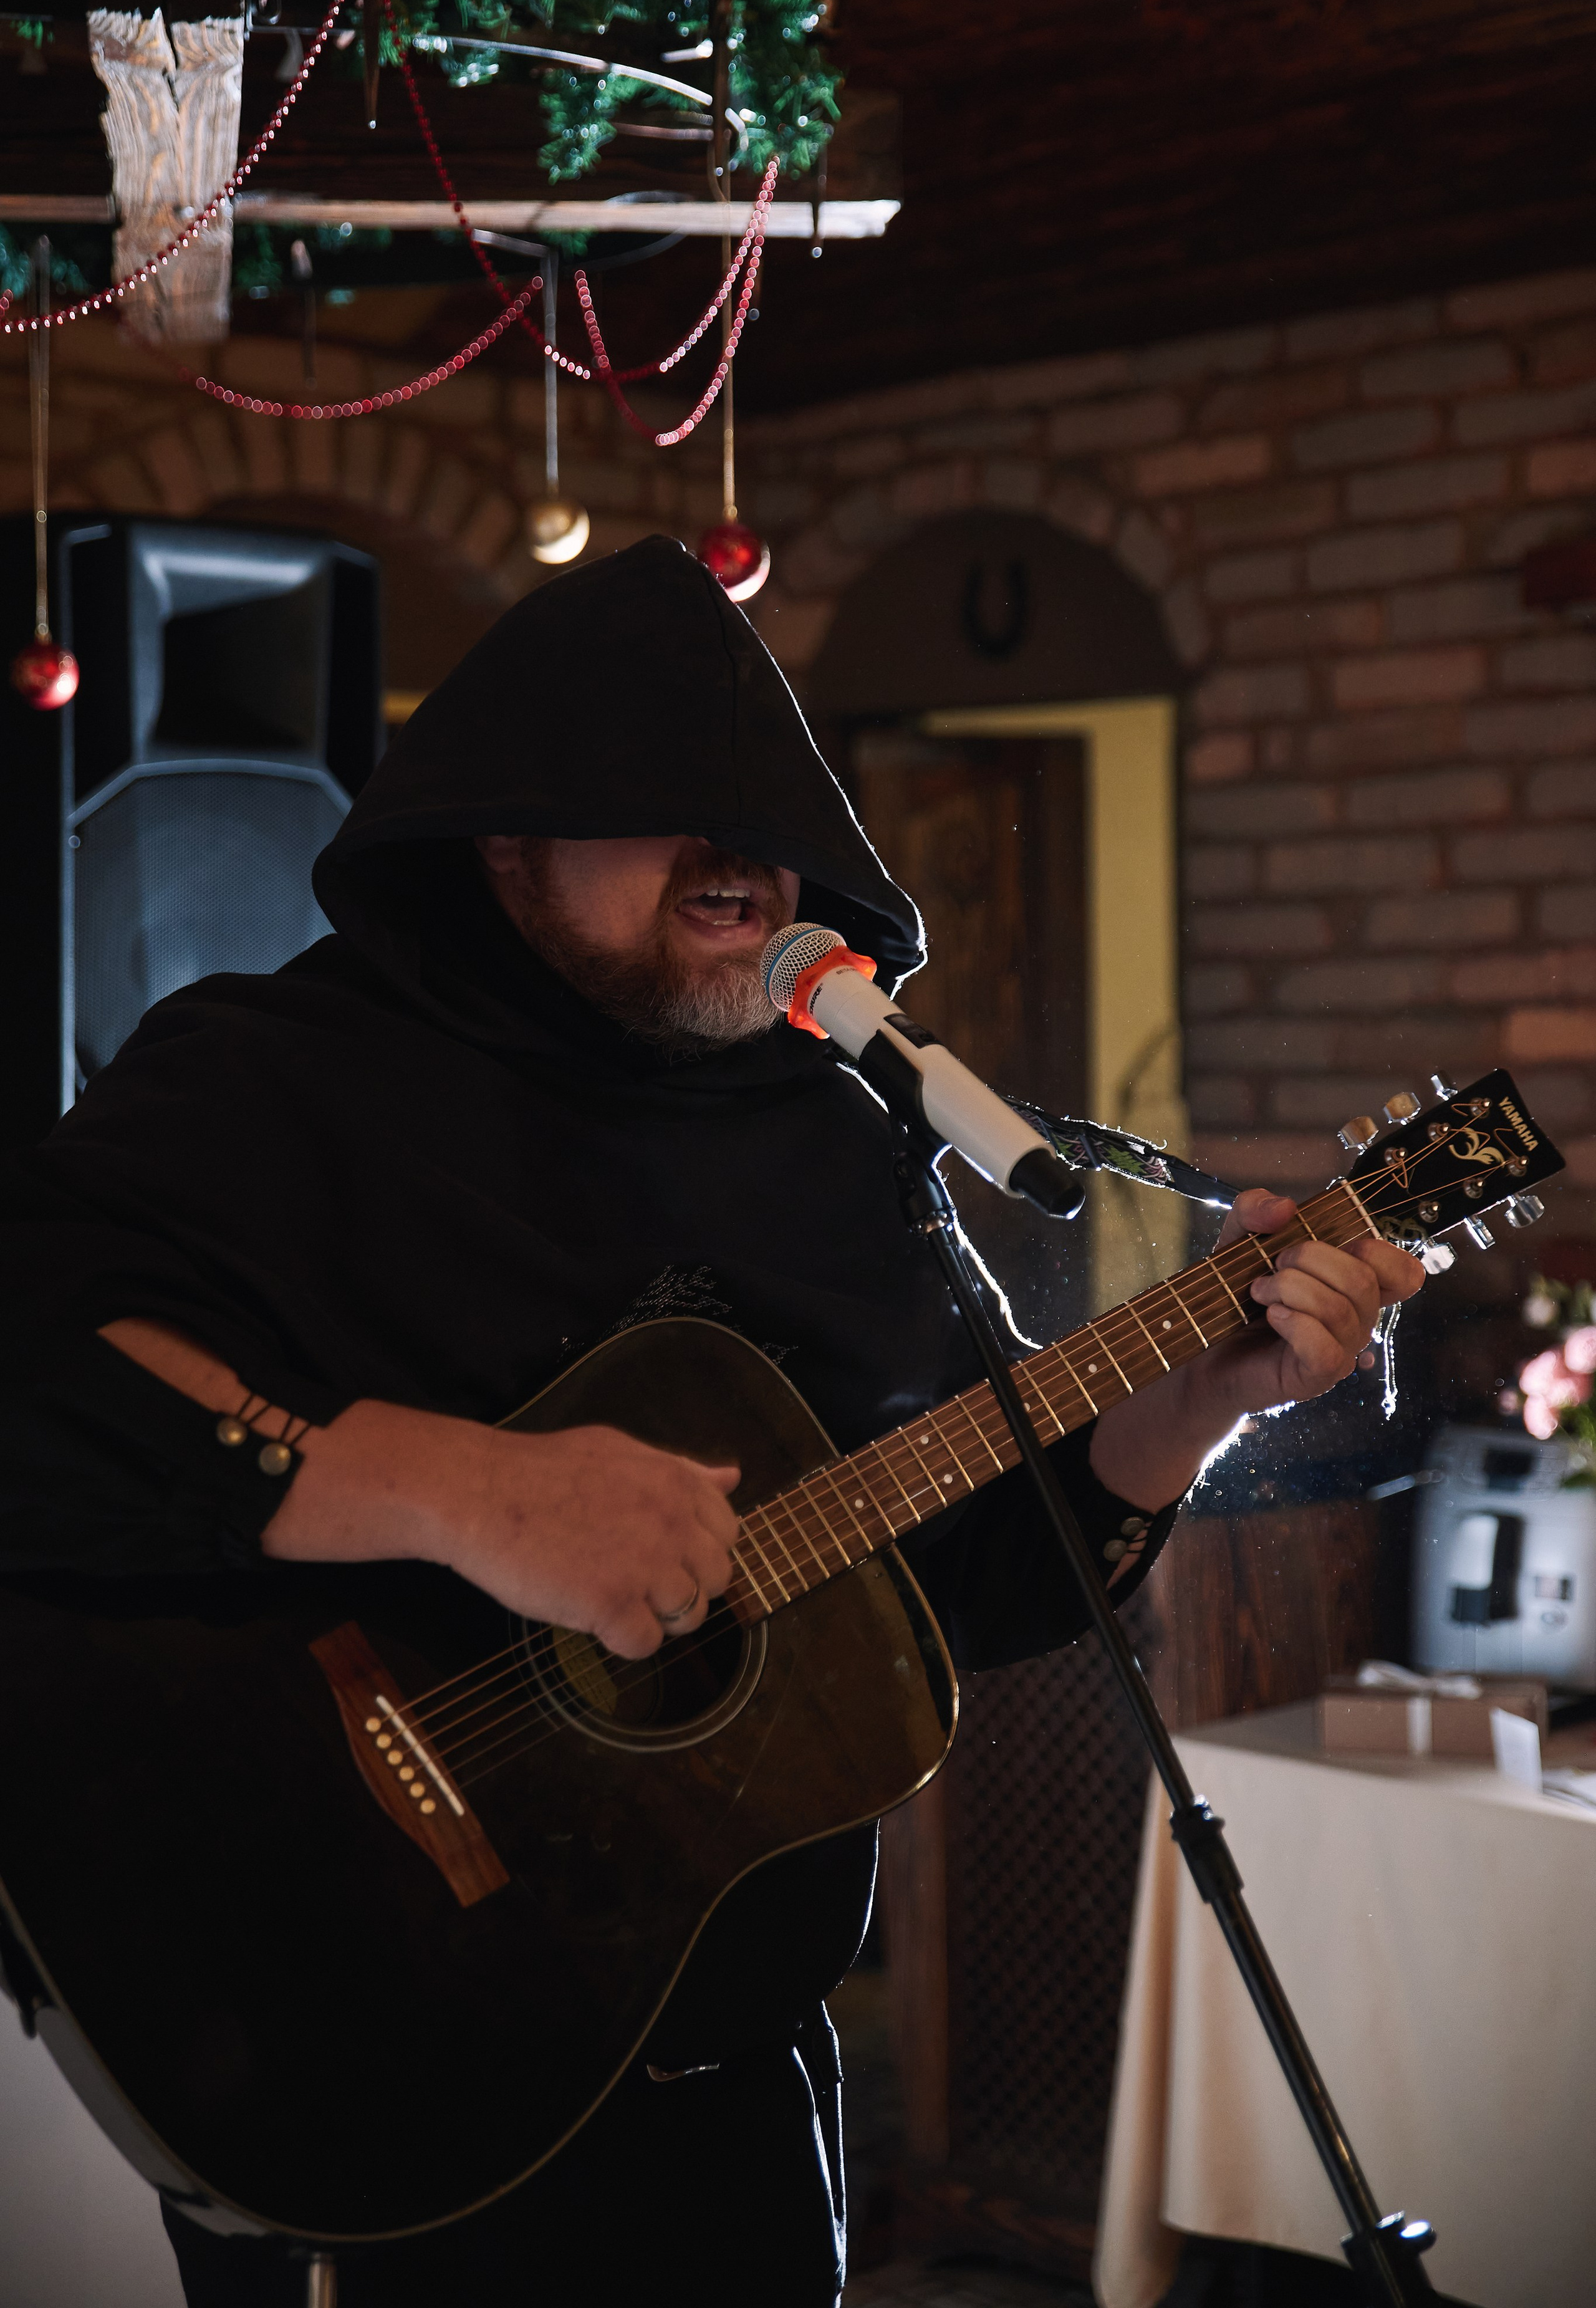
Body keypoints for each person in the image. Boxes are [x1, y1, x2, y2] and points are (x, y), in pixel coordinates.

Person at [0, 536, 1421, 2306]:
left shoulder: (834, 1135)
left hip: (738, 2108)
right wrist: (457, 1489)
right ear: (502, 831)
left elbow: (949, 1594)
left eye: (766, 817)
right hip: (370, 2076)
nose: (744, 853)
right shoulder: (269, 1079)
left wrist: (1201, 1402)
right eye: (661, 804)